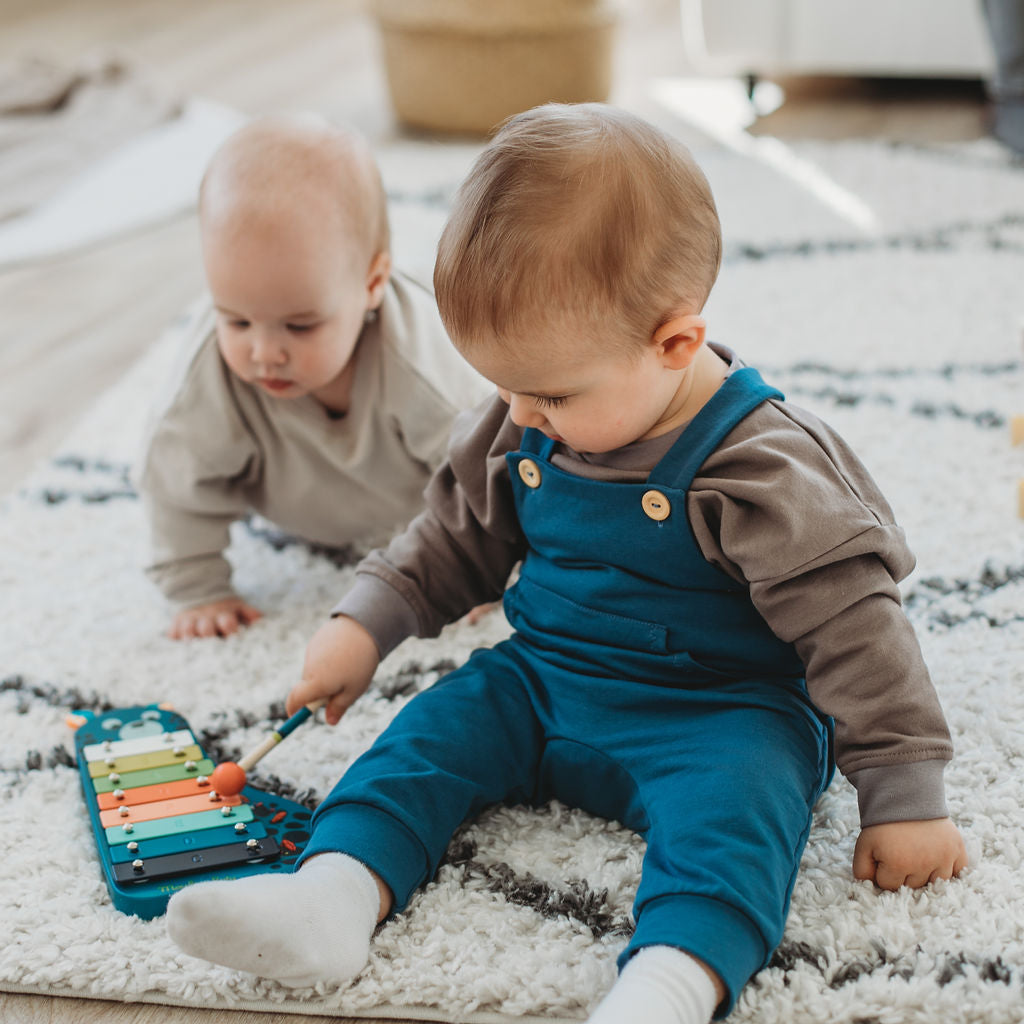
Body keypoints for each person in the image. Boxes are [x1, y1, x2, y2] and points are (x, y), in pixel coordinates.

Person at [165, 104, 967, 1023]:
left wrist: (905, 794)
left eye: (549, 391)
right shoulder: (529, 417)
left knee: (738, 819)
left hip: (722, 711)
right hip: (543, 679)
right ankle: (332, 896)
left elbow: (860, 630)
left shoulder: (765, 471)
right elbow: (451, 536)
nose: (521, 414)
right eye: (508, 386)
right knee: (426, 739)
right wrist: (365, 623)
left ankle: (667, 985)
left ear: (676, 343)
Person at [135, 113, 488, 639]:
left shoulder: (422, 368)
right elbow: (173, 481)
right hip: (299, 504)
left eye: (299, 326)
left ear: (372, 284)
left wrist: (470, 571)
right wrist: (197, 588)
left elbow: (482, 473)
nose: (264, 352)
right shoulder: (206, 382)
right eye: (235, 318)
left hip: (421, 507)